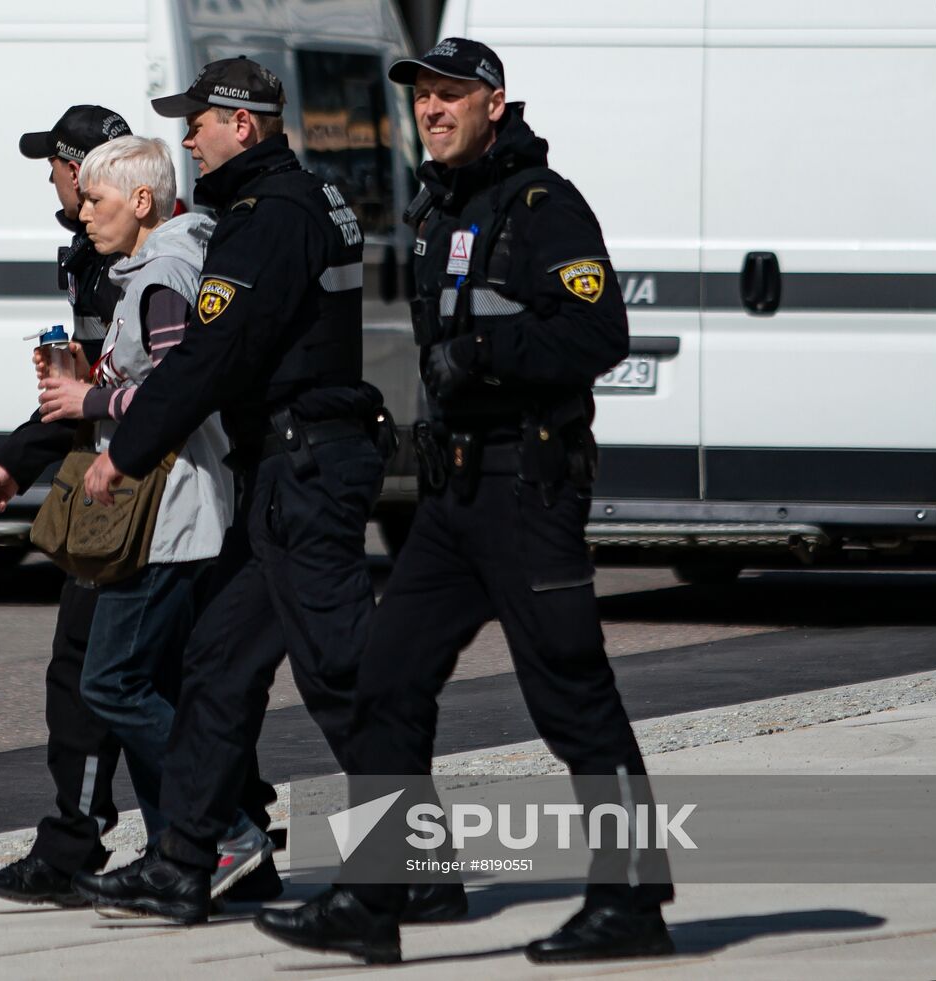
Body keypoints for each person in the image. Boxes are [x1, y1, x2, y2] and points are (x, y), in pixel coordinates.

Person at [253, 38, 676, 964]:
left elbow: (600, 332)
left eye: (451, 94)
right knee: (383, 684)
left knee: (572, 697)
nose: (433, 109)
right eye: (423, 97)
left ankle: (634, 902)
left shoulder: (542, 206)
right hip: (452, 498)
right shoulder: (442, 208)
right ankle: (376, 898)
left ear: (495, 101)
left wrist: (485, 356)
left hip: (526, 490)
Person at [68, 57, 392, 924]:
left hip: (308, 469)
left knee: (339, 675)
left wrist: (127, 451)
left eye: (198, 123)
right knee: (215, 662)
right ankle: (186, 860)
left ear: (241, 125)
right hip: (287, 469)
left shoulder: (268, 217)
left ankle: (413, 867)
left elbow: (213, 355)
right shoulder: (305, 199)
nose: (188, 141)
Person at [34, 135, 275, 894]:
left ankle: (225, 828)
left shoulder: (165, 276)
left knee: (111, 683)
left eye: (95, 201)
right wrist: (89, 382)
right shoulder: (153, 269)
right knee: (148, 684)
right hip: (163, 511)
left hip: (168, 516)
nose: (83, 214)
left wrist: (92, 401)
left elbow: (182, 389)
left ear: (141, 202)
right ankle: (181, 851)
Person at [0, 105, 134, 909]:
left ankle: (203, 836)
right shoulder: (99, 254)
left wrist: (87, 396)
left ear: (81, 169)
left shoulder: (139, 259)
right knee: (129, 672)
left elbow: (150, 383)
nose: (53, 183)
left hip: (140, 487)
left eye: (57, 168)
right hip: (120, 477)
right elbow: (94, 386)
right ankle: (212, 834)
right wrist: (17, 457)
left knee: (101, 673)